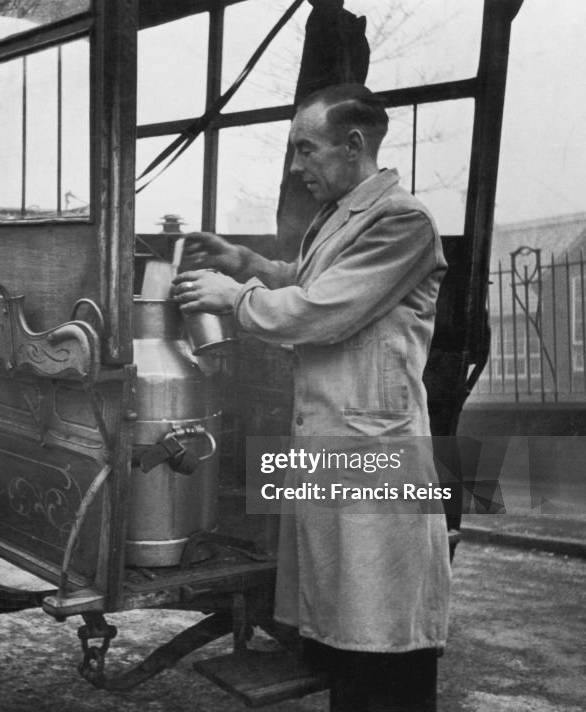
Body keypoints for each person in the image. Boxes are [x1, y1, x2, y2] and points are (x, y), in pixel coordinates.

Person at [172, 83, 450, 711]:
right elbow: (311, 279)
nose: (296, 167)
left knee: (387, 636)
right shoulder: (347, 214)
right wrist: (248, 262)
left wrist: (233, 298)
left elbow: (325, 310)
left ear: (354, 145)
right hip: (341, 447)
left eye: (307, 149)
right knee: (350, 631)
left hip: (378, 454)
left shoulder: (403, 220)